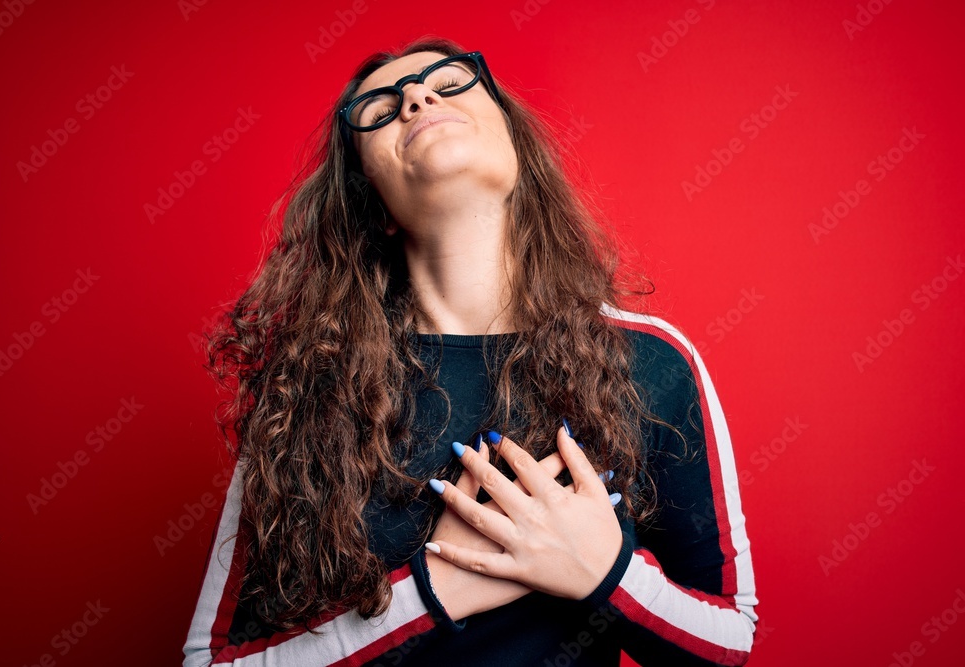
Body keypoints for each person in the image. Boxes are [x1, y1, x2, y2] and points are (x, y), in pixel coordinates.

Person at [182, 35, 758, 667]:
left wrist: (604, 572)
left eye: (449, 81)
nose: (417, 96)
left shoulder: (651, 362)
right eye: (379, 106)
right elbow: (209, 661)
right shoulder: (306, 385)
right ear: (375, 206)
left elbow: (729, 644)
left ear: (516, 151)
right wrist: (438, 589)